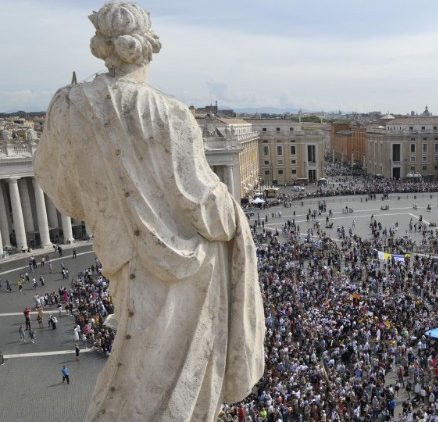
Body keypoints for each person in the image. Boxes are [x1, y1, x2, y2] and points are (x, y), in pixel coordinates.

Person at [34, 4, 265, 420]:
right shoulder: (168, 114)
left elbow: (62, 191)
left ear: (102, 47)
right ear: (147, 48)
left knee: (133, 365)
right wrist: (234, 214)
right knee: (171, 383)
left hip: (122, 260)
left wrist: (109, 208)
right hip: (186, 277)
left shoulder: (65, 108)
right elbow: (208, 212)